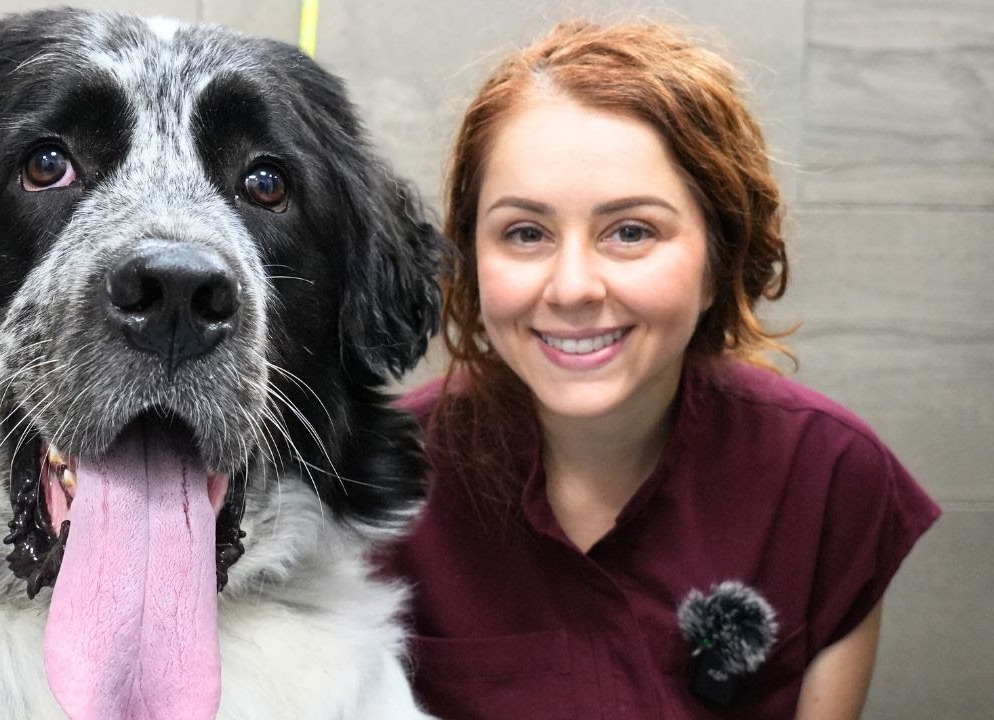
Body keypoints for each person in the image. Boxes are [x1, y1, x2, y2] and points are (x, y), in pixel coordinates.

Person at [381, 20, 941, 720]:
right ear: (470, 257)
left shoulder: (828, 479)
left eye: (631, 231)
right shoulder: (375, 490)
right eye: (526, 233)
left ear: (720, 258)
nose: (573, 287)